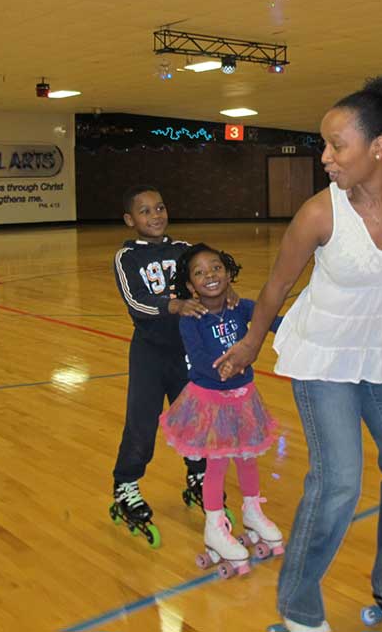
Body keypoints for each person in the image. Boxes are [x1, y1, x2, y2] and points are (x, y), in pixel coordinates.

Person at [215, 74, 382, 632]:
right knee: (339, 480)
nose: (325, 157)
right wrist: (249, 345)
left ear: (378, 146)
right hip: (323, 357)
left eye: (335, 145)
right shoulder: (319, 214)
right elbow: (276, 288)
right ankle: (299, 609)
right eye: (323, 144)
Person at [109, 185, 235, 546]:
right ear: (130, 220)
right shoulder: (127, 258)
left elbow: (210, 273)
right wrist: (173, 305)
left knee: (195, 418)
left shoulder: (183, 251)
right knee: (142, 422)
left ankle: (198, 477)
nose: (155, 215)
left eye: (160, 207)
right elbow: (137, 302)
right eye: (145, 211)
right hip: (149, 352)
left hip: (187, 351)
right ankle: (126, 484)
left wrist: (226, 292)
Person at [159, 243, 283, 576]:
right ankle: (214, 525)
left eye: (216, 268)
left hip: (244, 397)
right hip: (210, 401)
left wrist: (306, 327)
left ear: (228, 273)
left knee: (247, 457)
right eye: (199, 273)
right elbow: (197, 358)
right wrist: (224, 370)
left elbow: (273, 322)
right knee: (216, 463)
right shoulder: (191, 318)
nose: (209, 276)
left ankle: (253, 511)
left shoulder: (242, 307)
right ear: (190, 286)